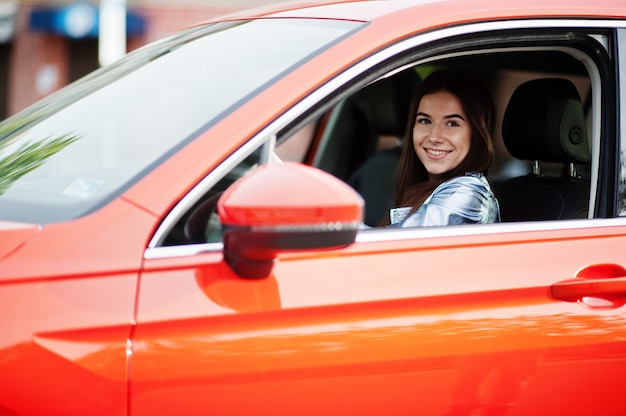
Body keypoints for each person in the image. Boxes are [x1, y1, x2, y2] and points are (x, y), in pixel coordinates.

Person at [382, 69, 500, 228]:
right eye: (425, 121)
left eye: (452, 123)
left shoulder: (468, 193)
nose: (434, 137)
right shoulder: (419, 189)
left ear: (476, 133)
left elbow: (400, 244)